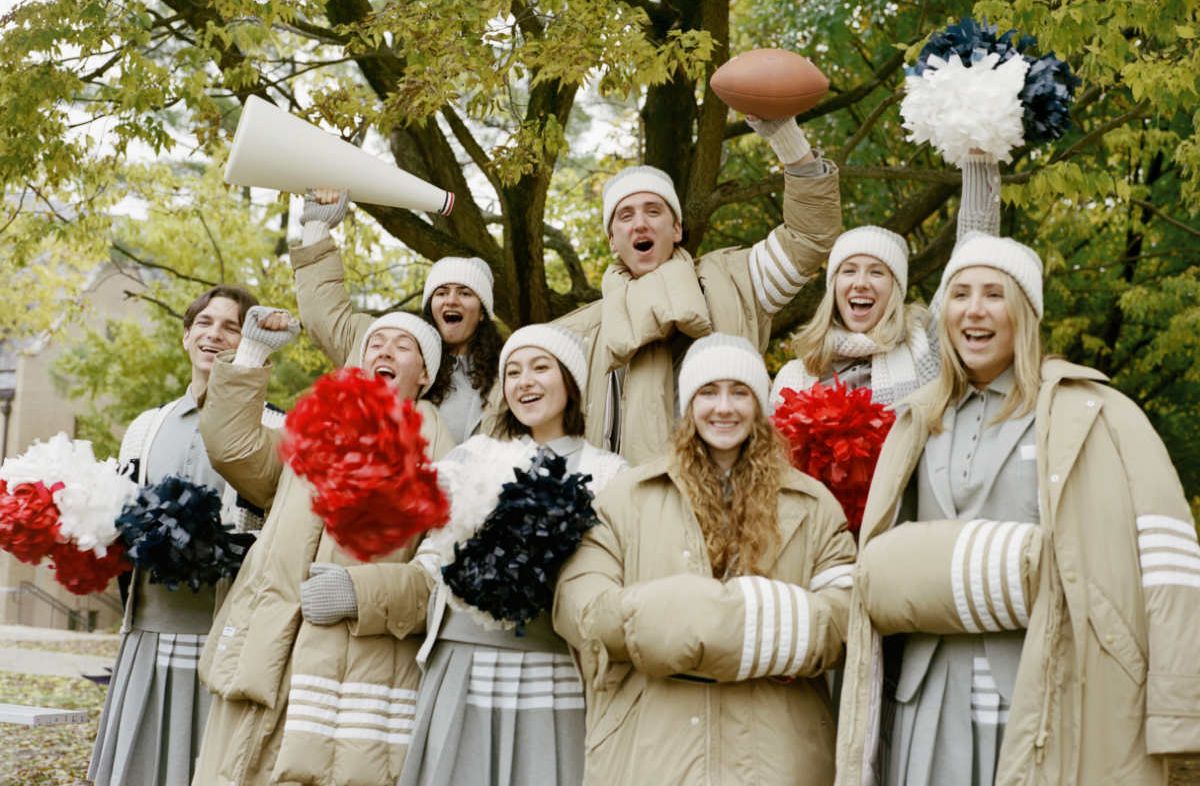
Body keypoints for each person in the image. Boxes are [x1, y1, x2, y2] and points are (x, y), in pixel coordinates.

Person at [834, 234, 1200, 786]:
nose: (974, 310)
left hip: (1050, 692)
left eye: (994, 294)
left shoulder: (1102, 414)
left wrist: (1179, 712)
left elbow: (1171, 569)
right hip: (925, 700)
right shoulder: (915, 421)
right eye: (959, 294)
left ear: (1025, 313)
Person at [303, 324, 626, 786]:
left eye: (540, 368)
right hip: (462, 660)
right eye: (512, 371)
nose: (525, 381)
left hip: (552, 668)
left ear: (570, 381)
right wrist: (359, 590)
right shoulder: (472, 456)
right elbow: (429, 562)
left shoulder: (608, 473)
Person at [554, 333, 858, 785]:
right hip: (654, 749)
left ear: (759, 405)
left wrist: (721, 624)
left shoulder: (811, 503)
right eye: (708, 392)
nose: (724, 408)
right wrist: (717, 619)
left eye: (740, 392)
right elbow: (579, 605)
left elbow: (846, 615)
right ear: (687, 404)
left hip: (777, 753)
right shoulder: (629, 497)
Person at [191, 308, 455, 786]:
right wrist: (251, 356)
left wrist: (362, 592)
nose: (384, 351)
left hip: (350, 684)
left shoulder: (443, 455)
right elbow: (232, 448)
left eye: (403, 345)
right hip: (266, 655)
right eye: (376, 342)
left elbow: (443, 575)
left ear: (426, 373)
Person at [551, 118, 841, 463]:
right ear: (612, 240)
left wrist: (788, 142)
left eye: (653, 211)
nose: (640, 223)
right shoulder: (578, 335)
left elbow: (810, 237)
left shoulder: (740, 280)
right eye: (625, 215)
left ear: (676, 228)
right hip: (626, 506)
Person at [89, 285, 281, 786]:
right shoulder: (146, 427)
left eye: (231, 326)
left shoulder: (275, 426)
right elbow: (120, 522)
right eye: (204, 323)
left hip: (226, 640)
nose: (215, 335)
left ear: (248, 341)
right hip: (148, 633)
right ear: (185, 337)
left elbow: (277, 535)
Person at [771, 152, 1001, 407]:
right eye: (849, 271)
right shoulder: (795, 376)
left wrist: (978, 156)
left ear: (895, 289)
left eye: (876, 272)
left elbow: (974, 251)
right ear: (834, 287)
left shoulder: (923, 345)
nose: (861, 282)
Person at [292, 191, 502, 443]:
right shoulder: (378, 342)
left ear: (482, 313)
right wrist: (317, 226)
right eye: (442, 292)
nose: (451, 300)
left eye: (465, 293)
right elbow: (322, 314)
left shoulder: (510, 371)